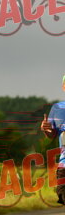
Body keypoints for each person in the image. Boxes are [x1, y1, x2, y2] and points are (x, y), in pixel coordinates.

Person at [40, 75, 65, 205]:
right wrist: (46, 129)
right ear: (63, 87)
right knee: (62, 195)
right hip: (64, 164)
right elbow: (52, 134)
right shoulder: (57, 108)